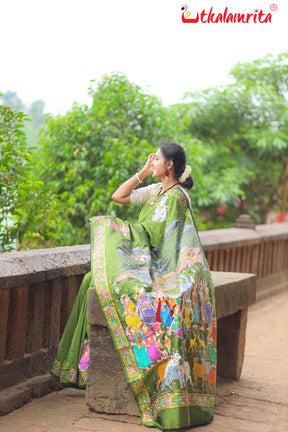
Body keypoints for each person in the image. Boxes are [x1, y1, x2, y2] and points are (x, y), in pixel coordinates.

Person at [51, 142, 216, 430]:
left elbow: (175, 242)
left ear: (170, 167)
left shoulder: (178, 197)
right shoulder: (154, 192)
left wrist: (153, 260)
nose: (152, 163)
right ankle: (79, 369)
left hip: (162, 267)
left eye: (156, 160)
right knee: (94, 279)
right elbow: (119, 196)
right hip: (144, 260)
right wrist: (141, 172)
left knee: (122, 288)